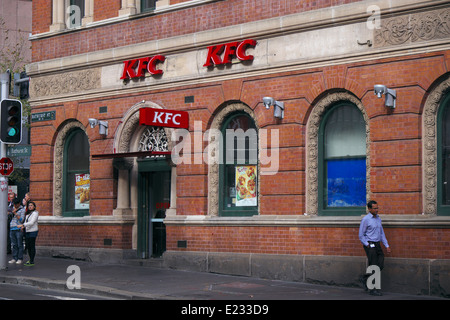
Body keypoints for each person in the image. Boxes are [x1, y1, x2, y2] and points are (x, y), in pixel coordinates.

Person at [359, 200, 391, 296]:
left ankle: (365, 278)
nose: (377, 210)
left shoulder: (378, 219)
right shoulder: (366, 219)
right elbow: (361, 235)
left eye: (377, 208)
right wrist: (367, 244)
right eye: (375, 208)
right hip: (370, 244)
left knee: (380, 264)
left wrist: (387, 245)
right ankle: (373, 289)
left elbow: (381, 233)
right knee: (374, 267)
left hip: (377, 244)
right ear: (369, 209)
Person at [17, 201, 39, 267]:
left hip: (33, 231)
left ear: (34, 207)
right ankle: (30, 259)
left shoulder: (35, 213)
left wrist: (23, 225)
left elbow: (32, 222)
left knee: (32, 246)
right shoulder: (28, 213)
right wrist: (23, 227)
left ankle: (32, 260)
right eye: (29, 205)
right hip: (27, 231)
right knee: (28, 246)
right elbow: (27, 222)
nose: (30, 206)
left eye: (31, 205)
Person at [8, 198, 25, 264]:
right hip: (12, 228)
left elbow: (22, 220)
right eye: (14, 204)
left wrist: (15, 213)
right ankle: (14, 257)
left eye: (16, 204)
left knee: (19, 244)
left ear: (19, 204)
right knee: (14, 244)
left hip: (18, 229)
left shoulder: (22, 210)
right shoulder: (12, 209)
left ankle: (20, 258)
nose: (14, 206)